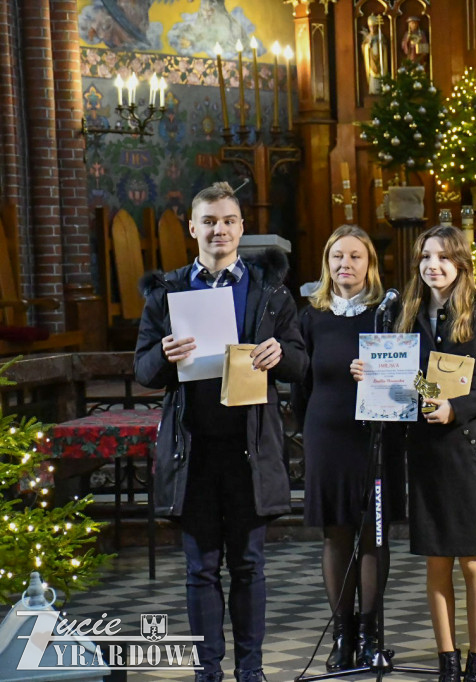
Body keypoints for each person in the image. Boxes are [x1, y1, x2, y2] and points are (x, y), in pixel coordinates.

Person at [134, 181, 307, 682]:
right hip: (194, 452)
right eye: (209, 221)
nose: (219, 230)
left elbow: (300, 360)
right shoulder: (167, 291)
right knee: (200, 570)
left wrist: (280, 355)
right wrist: (164, 358)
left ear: (241, 228)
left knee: (250, 566)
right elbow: (144, 370)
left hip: (249, 448)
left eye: (228, 221)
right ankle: (207, 671)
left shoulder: (269, 291)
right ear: (193, 228)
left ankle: (250, 670)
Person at [391, 225, 476, 682]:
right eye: (426, 257)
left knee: (472, 558)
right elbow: (397, 372)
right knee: (436, 559)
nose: (434, 266)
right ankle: (447, 659)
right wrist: (371, 372)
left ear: (461, 263)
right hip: (424, 450)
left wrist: (457, 408)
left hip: (467, 449)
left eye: (444, 258)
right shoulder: (405, 311)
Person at [292, 226, 404, 672]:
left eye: (356, 257)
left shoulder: (387, 313)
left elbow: (404, 382)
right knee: (337, 534)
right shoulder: (311, 316)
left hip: (376, 437)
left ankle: (372, 637)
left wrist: (377, 373)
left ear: (370, 265)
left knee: (375, 534)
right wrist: (312, 425)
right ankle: (342, 637)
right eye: (337, 256)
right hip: (328, 437)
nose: (346, 265)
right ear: (327, 263)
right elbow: (301, 384)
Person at [362, 15, 390, 95]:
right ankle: (373, 92)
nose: (372, 29)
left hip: (380, 61)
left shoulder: (381, 36)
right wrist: (369, 45)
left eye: (374, 27)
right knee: (373, 76)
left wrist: (381, 45)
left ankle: (382, 91)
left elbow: (385, 47)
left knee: (380, 75)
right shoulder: (368, 37)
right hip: (371, 61)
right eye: (371, 27)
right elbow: (364, 48)